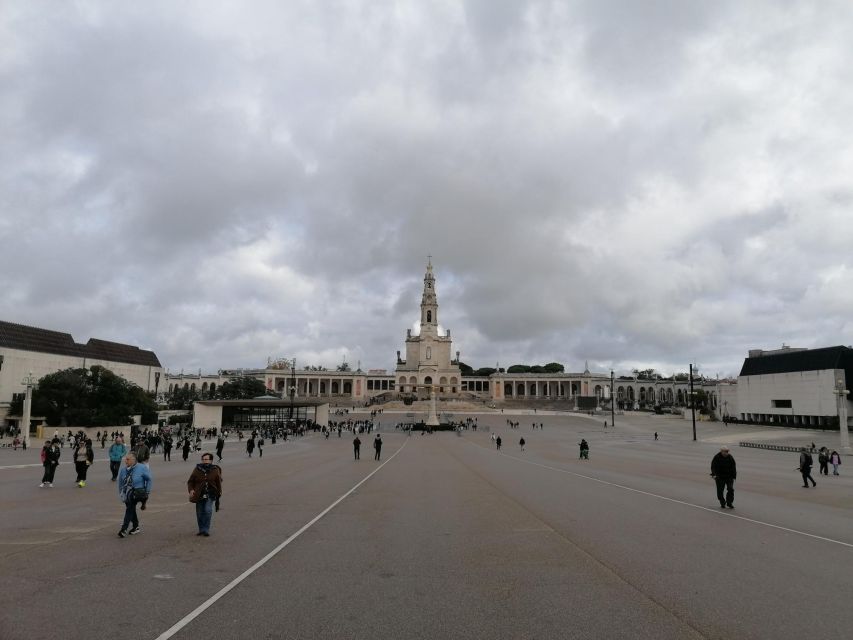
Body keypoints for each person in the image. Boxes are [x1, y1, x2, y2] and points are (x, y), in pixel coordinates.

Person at [187, 452, 223, 537]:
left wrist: (219, 492)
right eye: (203, 459)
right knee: (199, 512)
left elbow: (218, 482)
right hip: (198, 494)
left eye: (206, 459)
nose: (204, 461)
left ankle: (206, 529)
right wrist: (191, 490)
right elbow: (190, 481)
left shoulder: (215, 470)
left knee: (207, 510)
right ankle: (201, 529)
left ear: (211, 460)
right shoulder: (197, 469)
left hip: (210, 494)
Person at [117, 452, 152, 538]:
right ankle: (136, 526)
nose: (126, 461)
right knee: (131, 509)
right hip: (127, 493)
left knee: (129, 509)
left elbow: (149, 479)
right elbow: (120, 483)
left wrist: (147, 491)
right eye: (125, 459)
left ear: (134, 460)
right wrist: (121, 493)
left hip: (138, 492)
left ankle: (124, 529)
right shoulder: (123, 470)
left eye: (128, 459)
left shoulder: (142, 468)